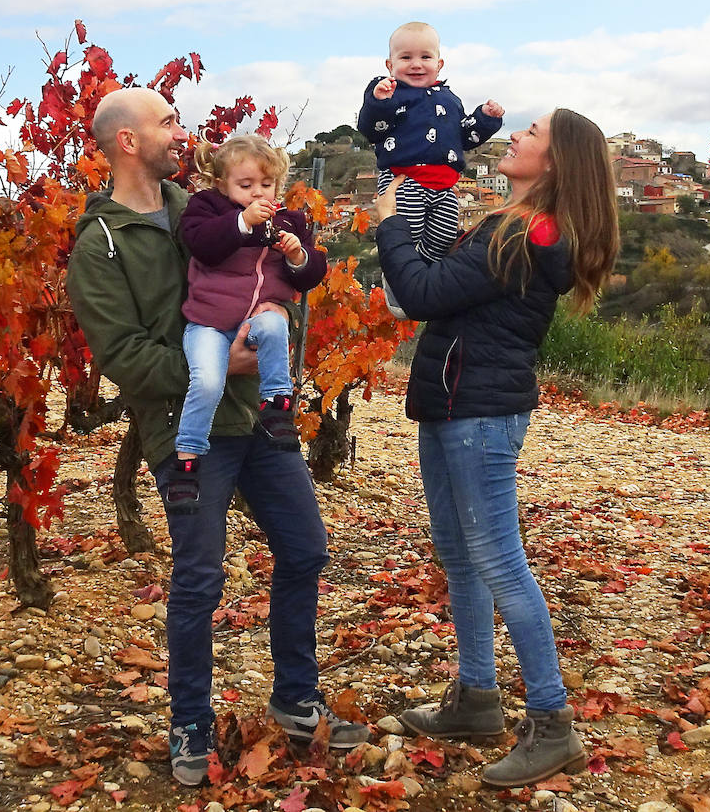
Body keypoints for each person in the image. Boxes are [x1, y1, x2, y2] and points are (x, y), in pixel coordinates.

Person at [65, 88, 368, 788]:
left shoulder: (197, 209)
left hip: (257, 416)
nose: (183, 132)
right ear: (128, 142)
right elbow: (124, 357)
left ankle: (295, 699)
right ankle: (190, 721)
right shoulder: (100, 245)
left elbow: (272, 272)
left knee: (305, 548)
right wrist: (215, 361)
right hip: (185, 429)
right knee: (199, 578)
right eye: (166, 122)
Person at [372, 108, 620, 787]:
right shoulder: (508, 226)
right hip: (456, 404)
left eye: (532, 132)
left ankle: (552, 721)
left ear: (557, 161)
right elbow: (437, 292)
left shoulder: (523, 235)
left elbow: (421, 293)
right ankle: (478, 697)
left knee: (500, 562)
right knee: (461, 556)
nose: (516, 135)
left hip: (477, 413)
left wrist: (391, 221)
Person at [162, 135, 328, 505]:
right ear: (222, 184)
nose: (257, 194)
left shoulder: (290, 220)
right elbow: (202, 244)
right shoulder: (205, 209)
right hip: (207, 323)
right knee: (206, 381)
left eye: (266, 185)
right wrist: (241, 223)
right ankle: (187, 458)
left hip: (255, 321)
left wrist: (297, 256)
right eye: (246, 185)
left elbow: (310, 276)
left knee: (274, 324)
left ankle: (278, 407)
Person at [357, 21, 504, 317]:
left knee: (445, 235)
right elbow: (370, 129)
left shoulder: (450, 100)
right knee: (405, 232)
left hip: (444, 184)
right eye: (405, 57)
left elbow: (465, 136)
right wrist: (377, 101)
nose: (416, 64)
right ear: (390, 64)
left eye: (425, 57)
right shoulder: (389, 95)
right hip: (405, 178)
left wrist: (485, 118)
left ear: (439, 63)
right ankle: (397, 283)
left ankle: (419, 277)